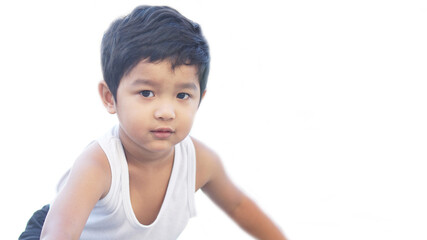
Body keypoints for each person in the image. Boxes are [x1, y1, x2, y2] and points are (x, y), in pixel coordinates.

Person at [19, 5, 287, 240]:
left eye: (183, 95)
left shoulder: (200, 162)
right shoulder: (98, 166)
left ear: (199, 100)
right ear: (110, 97)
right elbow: (59, 234)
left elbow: (239, 205)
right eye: (147, 93)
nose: (166, 112)